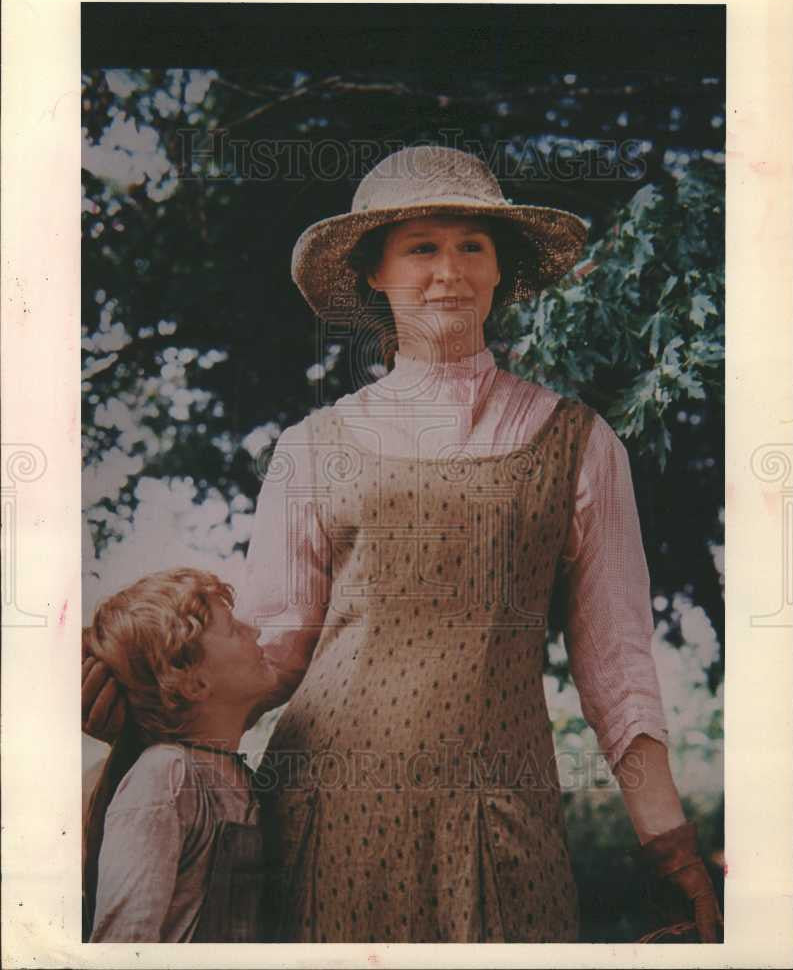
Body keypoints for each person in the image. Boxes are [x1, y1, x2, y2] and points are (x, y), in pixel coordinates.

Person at [83, 145, 722, 943]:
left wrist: (670, 847)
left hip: (502, 818)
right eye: (421, 247)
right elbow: (275, 653)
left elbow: (619, 668)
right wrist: (149, 687)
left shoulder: (581, 445)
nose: (447, 270)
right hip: (323, 813)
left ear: (499, 271)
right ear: (374, 276)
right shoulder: (312, 446)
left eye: (471, 246)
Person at [82, 568, 284, 942]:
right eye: (234, 629)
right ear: (193, 682)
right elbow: (124, 945)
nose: (254, 632)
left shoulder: (239, 777)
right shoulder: (166, 776)